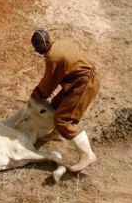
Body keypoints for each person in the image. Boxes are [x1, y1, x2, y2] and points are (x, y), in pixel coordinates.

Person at [30, 29, 100, 173]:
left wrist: (37, 94)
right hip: (77, 80)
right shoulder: (58, 45)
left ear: (45, 43)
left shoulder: (52, 57)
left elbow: (49, 82)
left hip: (85, 83)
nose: (36, 51)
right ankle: (57, 134)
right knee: (56, 105)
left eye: (37, 47)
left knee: (63, 119)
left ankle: (87, 154)